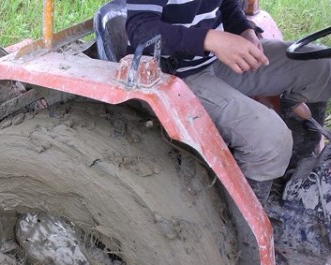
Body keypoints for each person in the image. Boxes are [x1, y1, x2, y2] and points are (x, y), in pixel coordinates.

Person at [125, 0, 331, 205]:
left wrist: (243, 29)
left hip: (214, 60)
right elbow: (140, 29)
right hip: (174, 75)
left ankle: (298, 168)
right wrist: (211, 39)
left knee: (321, 67)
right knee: (270, 138)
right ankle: (244, 225)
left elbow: (225, 5)